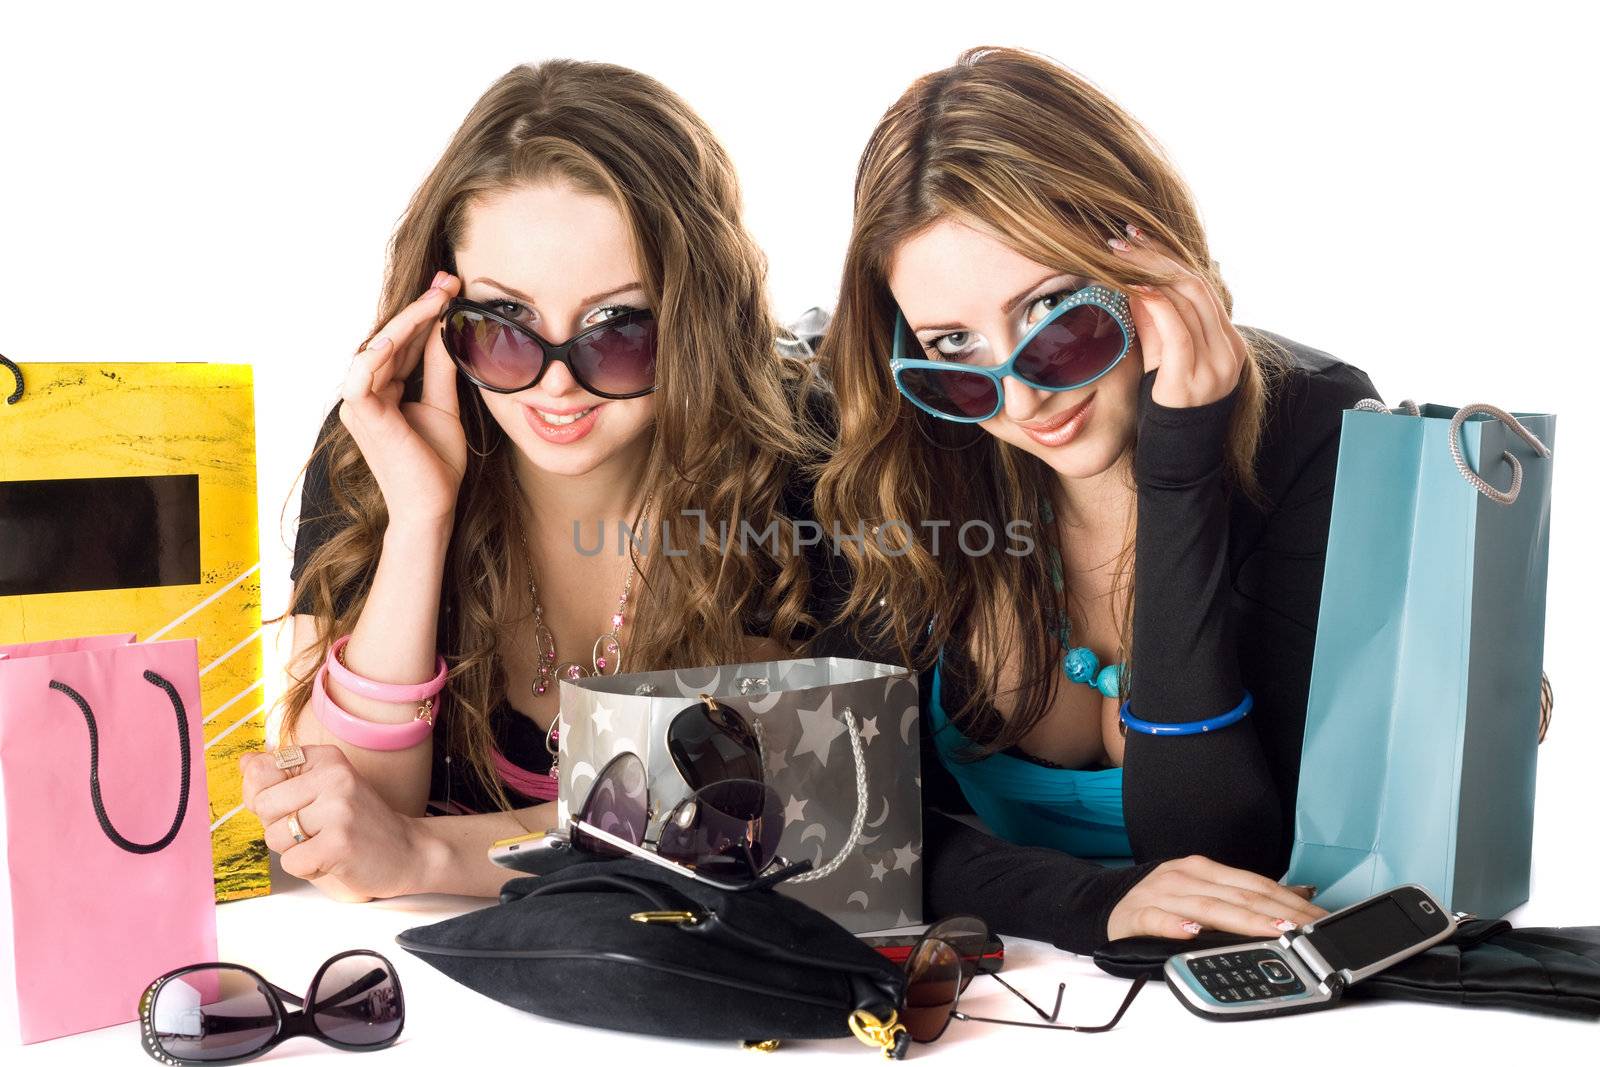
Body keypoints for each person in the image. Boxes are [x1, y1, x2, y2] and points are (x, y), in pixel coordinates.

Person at [811, 46, 1376, 952]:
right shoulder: (903, 448)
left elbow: (1220, 855)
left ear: (1146, 254)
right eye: (953, 345)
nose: (1021, 395)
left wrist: (1181, 474)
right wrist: (1085, 905)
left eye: (1053, 313)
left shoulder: (1315, 427)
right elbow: (854, 820)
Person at [241, 59, 825, 902]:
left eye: (618, 329)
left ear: (695, 317)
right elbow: (339, 824)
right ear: (443, 316)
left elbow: (777, 813)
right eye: (504, 327)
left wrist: (431, 857)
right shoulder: (380, 442)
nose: (558, 382)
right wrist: (418, 518)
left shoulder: (793, 460)